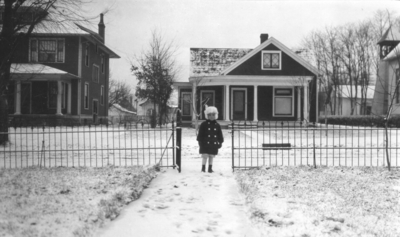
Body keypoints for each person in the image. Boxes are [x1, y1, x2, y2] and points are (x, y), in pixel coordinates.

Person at [197, 106, 224, 173]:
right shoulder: (203, 124)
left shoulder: (217, 125)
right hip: (205, 143)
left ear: (216, 115)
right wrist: (200, 141)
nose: (211, 116)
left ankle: (210, 168)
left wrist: (220, 142)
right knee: (205, 156)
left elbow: (219, 134)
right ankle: (203, 168)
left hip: (213, 143)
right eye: (210, 115)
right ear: (207, 116)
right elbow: (200, 134)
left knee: (211, 155)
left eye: (213, 115)